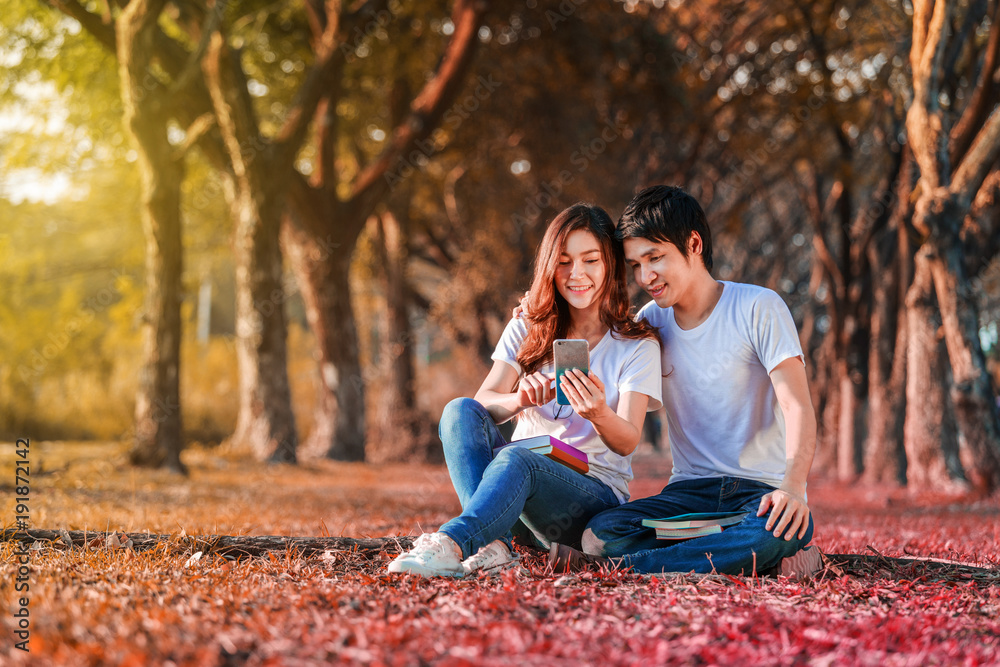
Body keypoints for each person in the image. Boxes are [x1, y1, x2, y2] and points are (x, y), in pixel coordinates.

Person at [552, 185, 821, 578]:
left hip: (760, 492)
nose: (645, 276)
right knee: (601, 533)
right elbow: (594, 329)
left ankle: (621, 569)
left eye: (655, 258)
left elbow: (797, 405)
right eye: (636, 265)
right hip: (687, 494)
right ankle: (747, 557)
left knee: (773, 531)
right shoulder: (649, 323)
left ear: (693, 244)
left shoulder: (758, 307)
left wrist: (793, 488)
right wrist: (540, 312)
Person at [388, 203, 663, 578]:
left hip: (584, 501)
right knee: (459, 410)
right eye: (563, 262)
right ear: (549, 265)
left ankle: (452, 543)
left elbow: (628, 441)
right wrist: (519, 400)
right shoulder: (529, 325)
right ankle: (496, 545)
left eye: (590, 260)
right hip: (513, 495)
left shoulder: (636, 344)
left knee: (518, 459)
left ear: (611, 264)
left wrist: (598, 413)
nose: (576, 274)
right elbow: (482, 404)